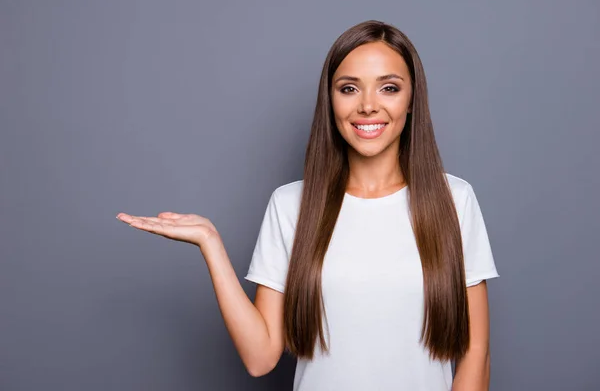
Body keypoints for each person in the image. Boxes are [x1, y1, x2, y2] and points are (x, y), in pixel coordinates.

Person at [116, 19, 499, 391]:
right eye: (349, 88)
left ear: (412, 99)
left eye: (389, 88)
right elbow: (260, 357)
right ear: (330, 100)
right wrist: (210, 243)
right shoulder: (290, 205)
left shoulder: (454, 200)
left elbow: (475, 354)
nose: (368, 105)